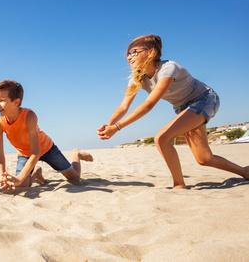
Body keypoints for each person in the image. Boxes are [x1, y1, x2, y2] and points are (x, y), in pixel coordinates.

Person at [97, 34, 249, 189]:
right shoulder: (138, 78)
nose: (129, 57)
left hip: (204, 99)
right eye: (128, 54)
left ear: (151, 52)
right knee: (204, 158)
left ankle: (179, 185)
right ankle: (245, 171)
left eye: (134, 52)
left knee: (162, 138)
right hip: (184, 109)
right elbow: (123, 106)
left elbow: (149, 104)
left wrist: (117, 128)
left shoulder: (168, 68)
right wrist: (108, 126)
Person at [0, 80, 93, 190]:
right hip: (24, 153)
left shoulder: (29, 116)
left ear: (16, 102)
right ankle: (37, 174)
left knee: (75, 179)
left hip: (46, 148)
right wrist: (2, 177)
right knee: (21, 185)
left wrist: (19, 178)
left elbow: (36, 152)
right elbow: (0, 155)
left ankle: (76, 153)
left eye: (1, 100)